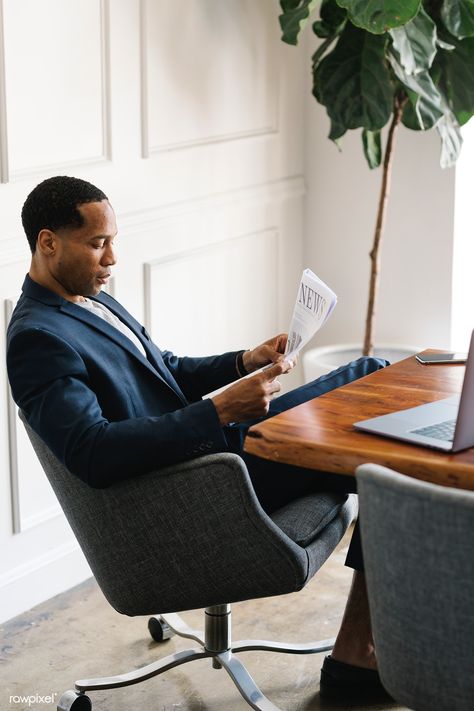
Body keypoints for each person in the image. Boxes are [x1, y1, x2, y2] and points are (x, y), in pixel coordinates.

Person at [6, 176, 390, 703]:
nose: (112, 258)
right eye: (98, 244)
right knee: (382, 437)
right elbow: (94, 453)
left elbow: (163, 370)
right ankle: (359, 655)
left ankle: (364, 647)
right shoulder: (37, 339)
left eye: (113, 241)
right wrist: (217, 412)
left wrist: (242, 362)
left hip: (218, 453)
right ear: (48, 242)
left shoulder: (85, 298)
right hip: (201, 487)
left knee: (372, 382)